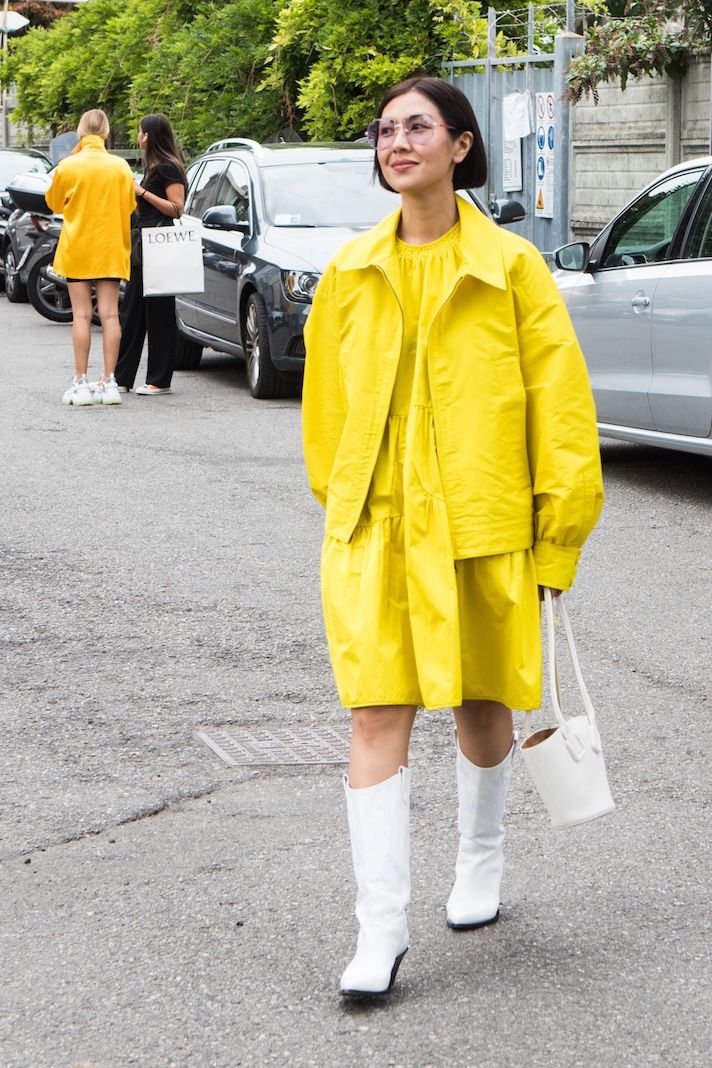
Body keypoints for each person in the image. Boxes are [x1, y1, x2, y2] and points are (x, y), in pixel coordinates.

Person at [302, 76, 604, 999]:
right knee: (375, 709)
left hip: (481, 525)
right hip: (377, 529)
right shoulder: (350, 271)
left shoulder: (514, 268)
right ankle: (379, 929)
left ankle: (480, 861)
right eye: (386, 130)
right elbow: (325, 412)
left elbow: (561, 413)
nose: (397, 143)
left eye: (418, 127)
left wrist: (558, 540)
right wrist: (345, 504)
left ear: (461, 146)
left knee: (482, 708)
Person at [46, 109, 136, 407]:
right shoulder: (120, 166)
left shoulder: (68, 165)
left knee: (82, 315)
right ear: (106, 133)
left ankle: (81, 382)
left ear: (81, 133)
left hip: (79, 247)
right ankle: (109, 382)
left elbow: (54, 203)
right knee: (110, 315)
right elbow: (129, 205)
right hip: (110, 246)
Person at [114, 113, 187, 396]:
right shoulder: (153, 167)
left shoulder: (168, 168)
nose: (137, 136)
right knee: (132, 312)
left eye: (140, 131)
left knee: (159, 312)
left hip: (159, 245)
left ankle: (160, 379)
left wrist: (141, 192)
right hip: (143, 246)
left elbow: (177, 208)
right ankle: (122, 377)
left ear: (149, 136)